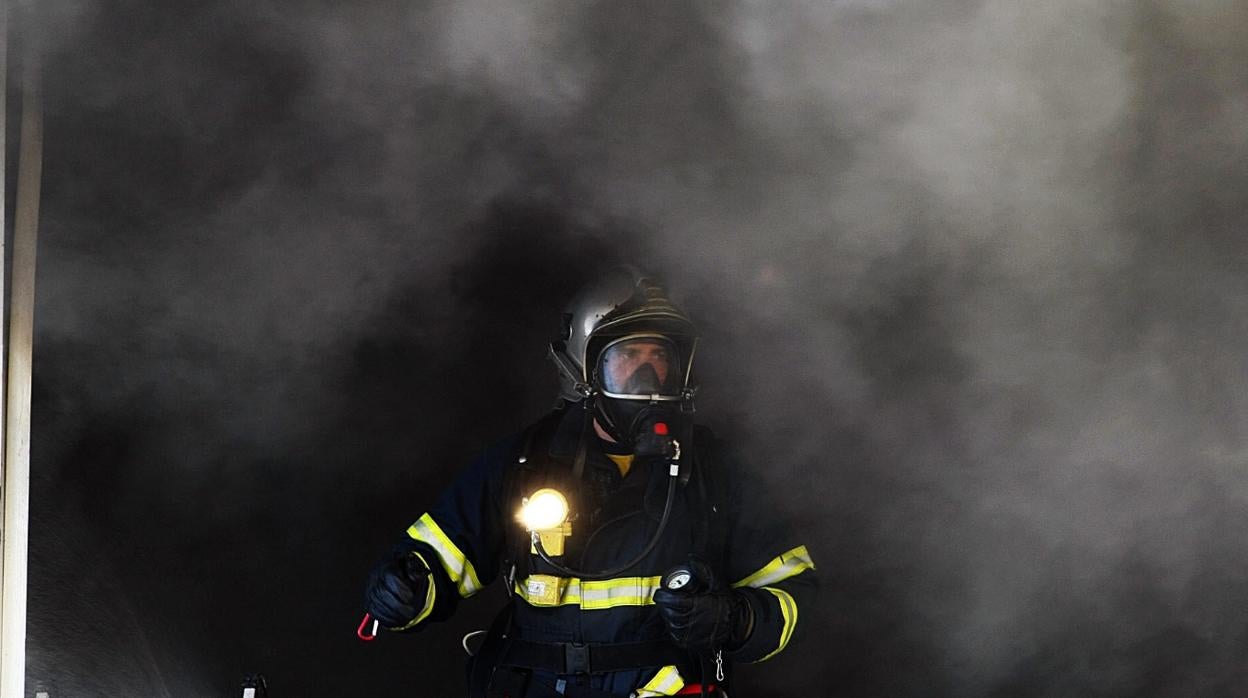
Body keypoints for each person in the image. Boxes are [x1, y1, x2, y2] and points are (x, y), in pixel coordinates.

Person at [364, 267, 816, 697]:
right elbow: (438, 557)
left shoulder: (716, 472)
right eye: (627, 357)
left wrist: (734, 620)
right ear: (584, 370)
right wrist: (405, 589)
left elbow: (794, 591)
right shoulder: (526, 461)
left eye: (660, 356)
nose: (647, 376)